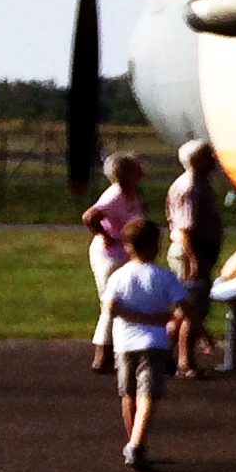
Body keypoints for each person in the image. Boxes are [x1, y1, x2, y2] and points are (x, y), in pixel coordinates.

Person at [100, 218, 185, 471]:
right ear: (155, 247)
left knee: (128, 393)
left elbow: (111, 308)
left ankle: (135, 441)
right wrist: (163, 320)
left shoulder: (118, 276)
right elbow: (185, 308)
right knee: (147, 395)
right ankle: (137, 443)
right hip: (155, 343)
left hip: (124, 344)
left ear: (127, 247)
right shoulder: (164, 277)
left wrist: (137, 317)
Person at [165, 139, 227, 375]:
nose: (213, 159)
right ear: (197, 160)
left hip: (198, 251)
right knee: (194, 310)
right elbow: (186, 228)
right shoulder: (190, 187)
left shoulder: (200, 184)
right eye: (208, 156)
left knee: (184, 310)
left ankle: (163, 356)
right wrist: (195, 260)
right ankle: (185, 362)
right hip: (191, 253)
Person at [80, 152, 147, 371]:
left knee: (125, 303)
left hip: (125, 254)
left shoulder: (133, 193)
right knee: (111, 304)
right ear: (127, 173)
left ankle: (120, 352)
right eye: (136, 166)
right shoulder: (115, 194)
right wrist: (107, 237)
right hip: (109, 256)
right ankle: (102, 356)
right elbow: (90, 216)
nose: (141, 169)